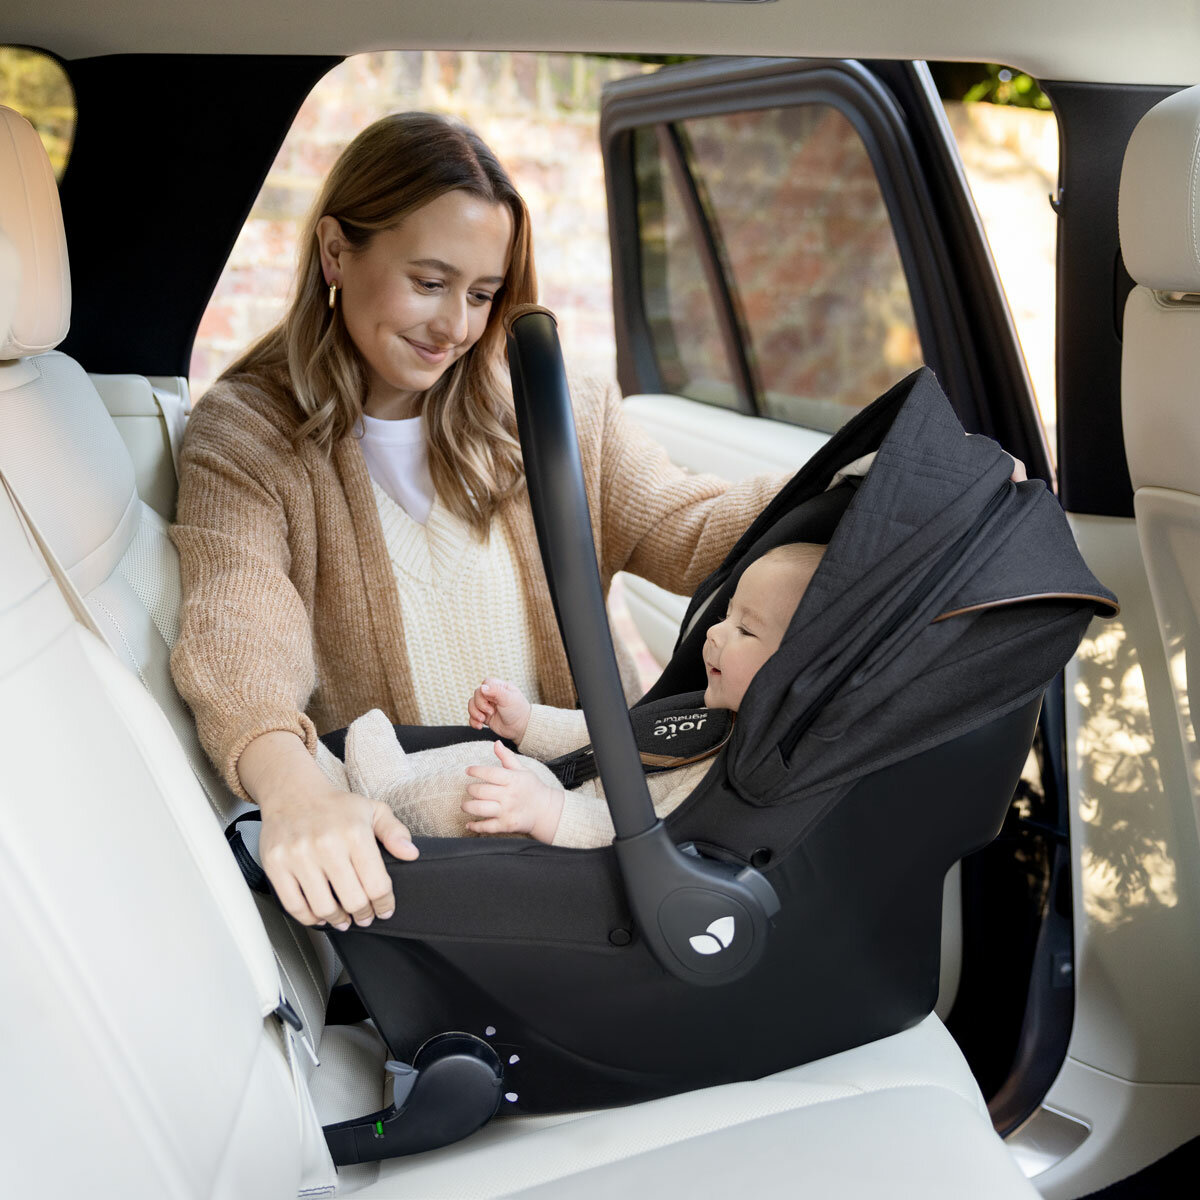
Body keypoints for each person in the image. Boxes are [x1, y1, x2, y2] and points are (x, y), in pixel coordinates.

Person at [170, 111, 786, 934]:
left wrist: (866, 473)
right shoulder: (249, 435)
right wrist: (297, 793)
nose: (456, 327)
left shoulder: (549, 404)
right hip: (442, 883)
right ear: (334, 252)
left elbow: (695, 527)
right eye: (429, 282)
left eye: (483, 294)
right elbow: (238, 631)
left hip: (601, 833)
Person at [317, 543, 824, 848]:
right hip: (557, 792)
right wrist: (526, 722)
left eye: (746, 632)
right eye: (726, 615)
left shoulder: (732, 772)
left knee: (480, 787)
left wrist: (549, 812)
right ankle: (347, 782)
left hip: (560, 837)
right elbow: (606, 734)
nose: (714, 634)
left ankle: (374, 793)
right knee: (494, 758)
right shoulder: (708, 715)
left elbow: (657, 841)